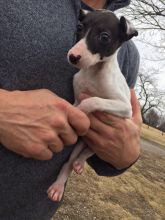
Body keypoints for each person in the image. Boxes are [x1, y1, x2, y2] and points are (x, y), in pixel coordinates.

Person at [0, 0, 142, 219]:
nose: (76, 51)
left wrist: (126, 157)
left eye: (103, 38)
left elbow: (120, 124)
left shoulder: (129, 55)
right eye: (80, 30)